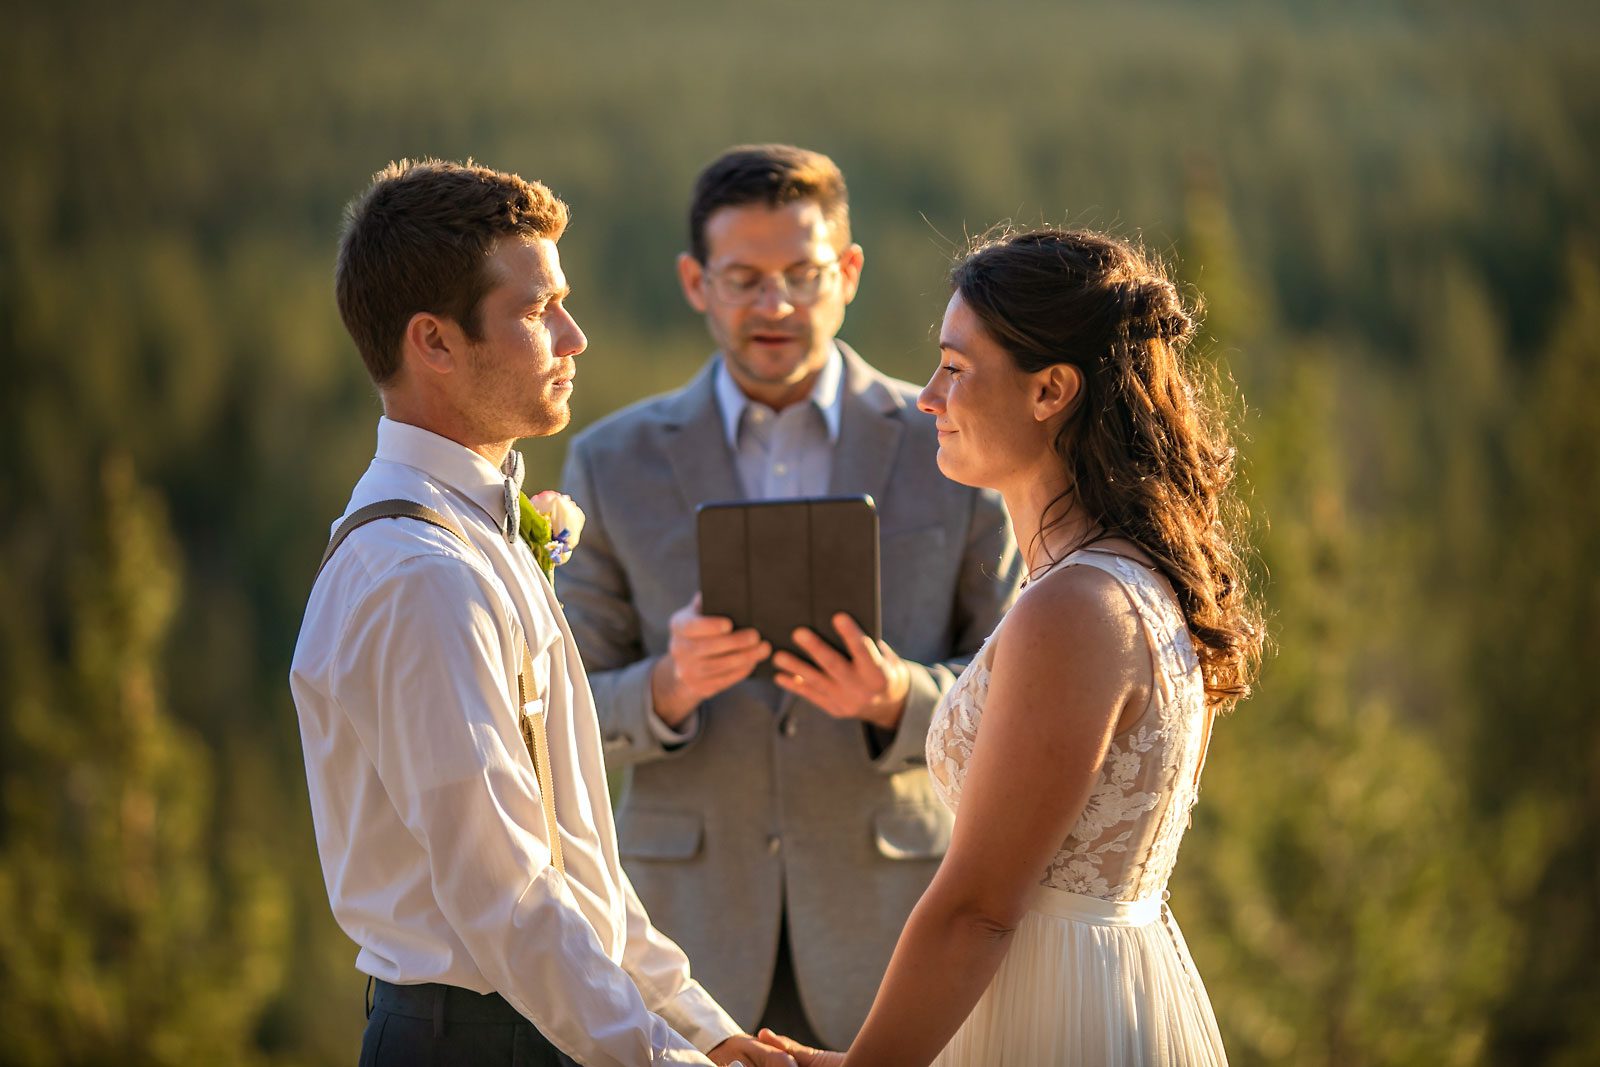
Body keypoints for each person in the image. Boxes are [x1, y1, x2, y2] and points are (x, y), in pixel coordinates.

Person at [290, 158, 793, 1067]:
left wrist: (705, 1031)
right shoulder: (421, 577)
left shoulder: (479, 533)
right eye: (537, 310)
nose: (576, 335)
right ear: (433, 343)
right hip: (477, 1041)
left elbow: (577, 864)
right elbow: (510, 897)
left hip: (548, 1022)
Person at [759, 228, 1265, 1066]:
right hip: (1098, 982)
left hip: (1056, 1016)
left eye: (956, 368)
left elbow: (979, 908)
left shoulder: (1076, 606)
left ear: (1050, 391)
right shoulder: (1113, 581)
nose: (928, 395)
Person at [557, 145, 1022, 1050]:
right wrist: (668, 686)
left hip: (893, 932)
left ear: (847, 273)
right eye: (743, 278)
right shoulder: (611, 462)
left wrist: (897, 700)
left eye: (802, 275)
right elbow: (563, 705)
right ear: (697, 282)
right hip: (680, 939)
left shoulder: (956, 450)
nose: (774, 304)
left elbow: (1015, 679)